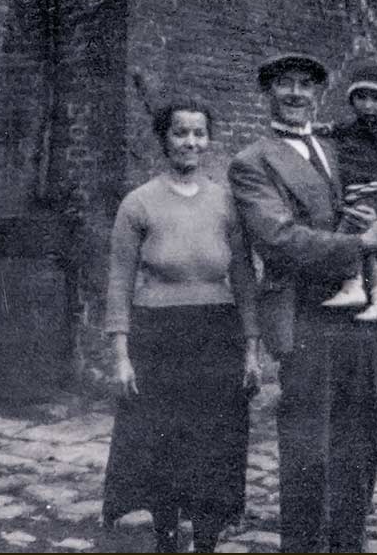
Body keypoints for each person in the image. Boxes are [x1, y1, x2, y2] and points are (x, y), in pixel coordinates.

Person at [228, 53, 377, 553]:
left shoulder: (336, 147)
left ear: (319, 96)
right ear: (268, 93)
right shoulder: (252, 162)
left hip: (357, 311)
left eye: (306, 85)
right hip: (304, 313)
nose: (296, 94)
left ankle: (348, 543)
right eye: (285, 84)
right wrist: (360, 244)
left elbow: (376, 196)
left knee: (360, 439)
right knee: (309, 446)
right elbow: (279, 240)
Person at [101, 98, 261, 553]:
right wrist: (121, 356)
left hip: (217, 334)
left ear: (208, 140)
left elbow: (244, 278)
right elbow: (120, 281)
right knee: (163, 442)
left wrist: (251, 349)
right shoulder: (138, 203)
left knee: (214, 442)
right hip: (158, 337)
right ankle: (166, 538)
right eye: (180, 133)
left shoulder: (226, 203)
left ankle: (206, 540)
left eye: (199, 133)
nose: (191, 142)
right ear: (164, 139)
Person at [319, 59, 377, 321]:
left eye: (376, 100)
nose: (368, 105)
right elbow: (335, 129)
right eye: (362, 98)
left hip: (370, 194)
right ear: (352, 100)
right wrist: (319, 129)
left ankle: (352, 286)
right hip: (352, 194)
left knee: (346, 238)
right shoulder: (349, 128)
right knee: (370, 250)